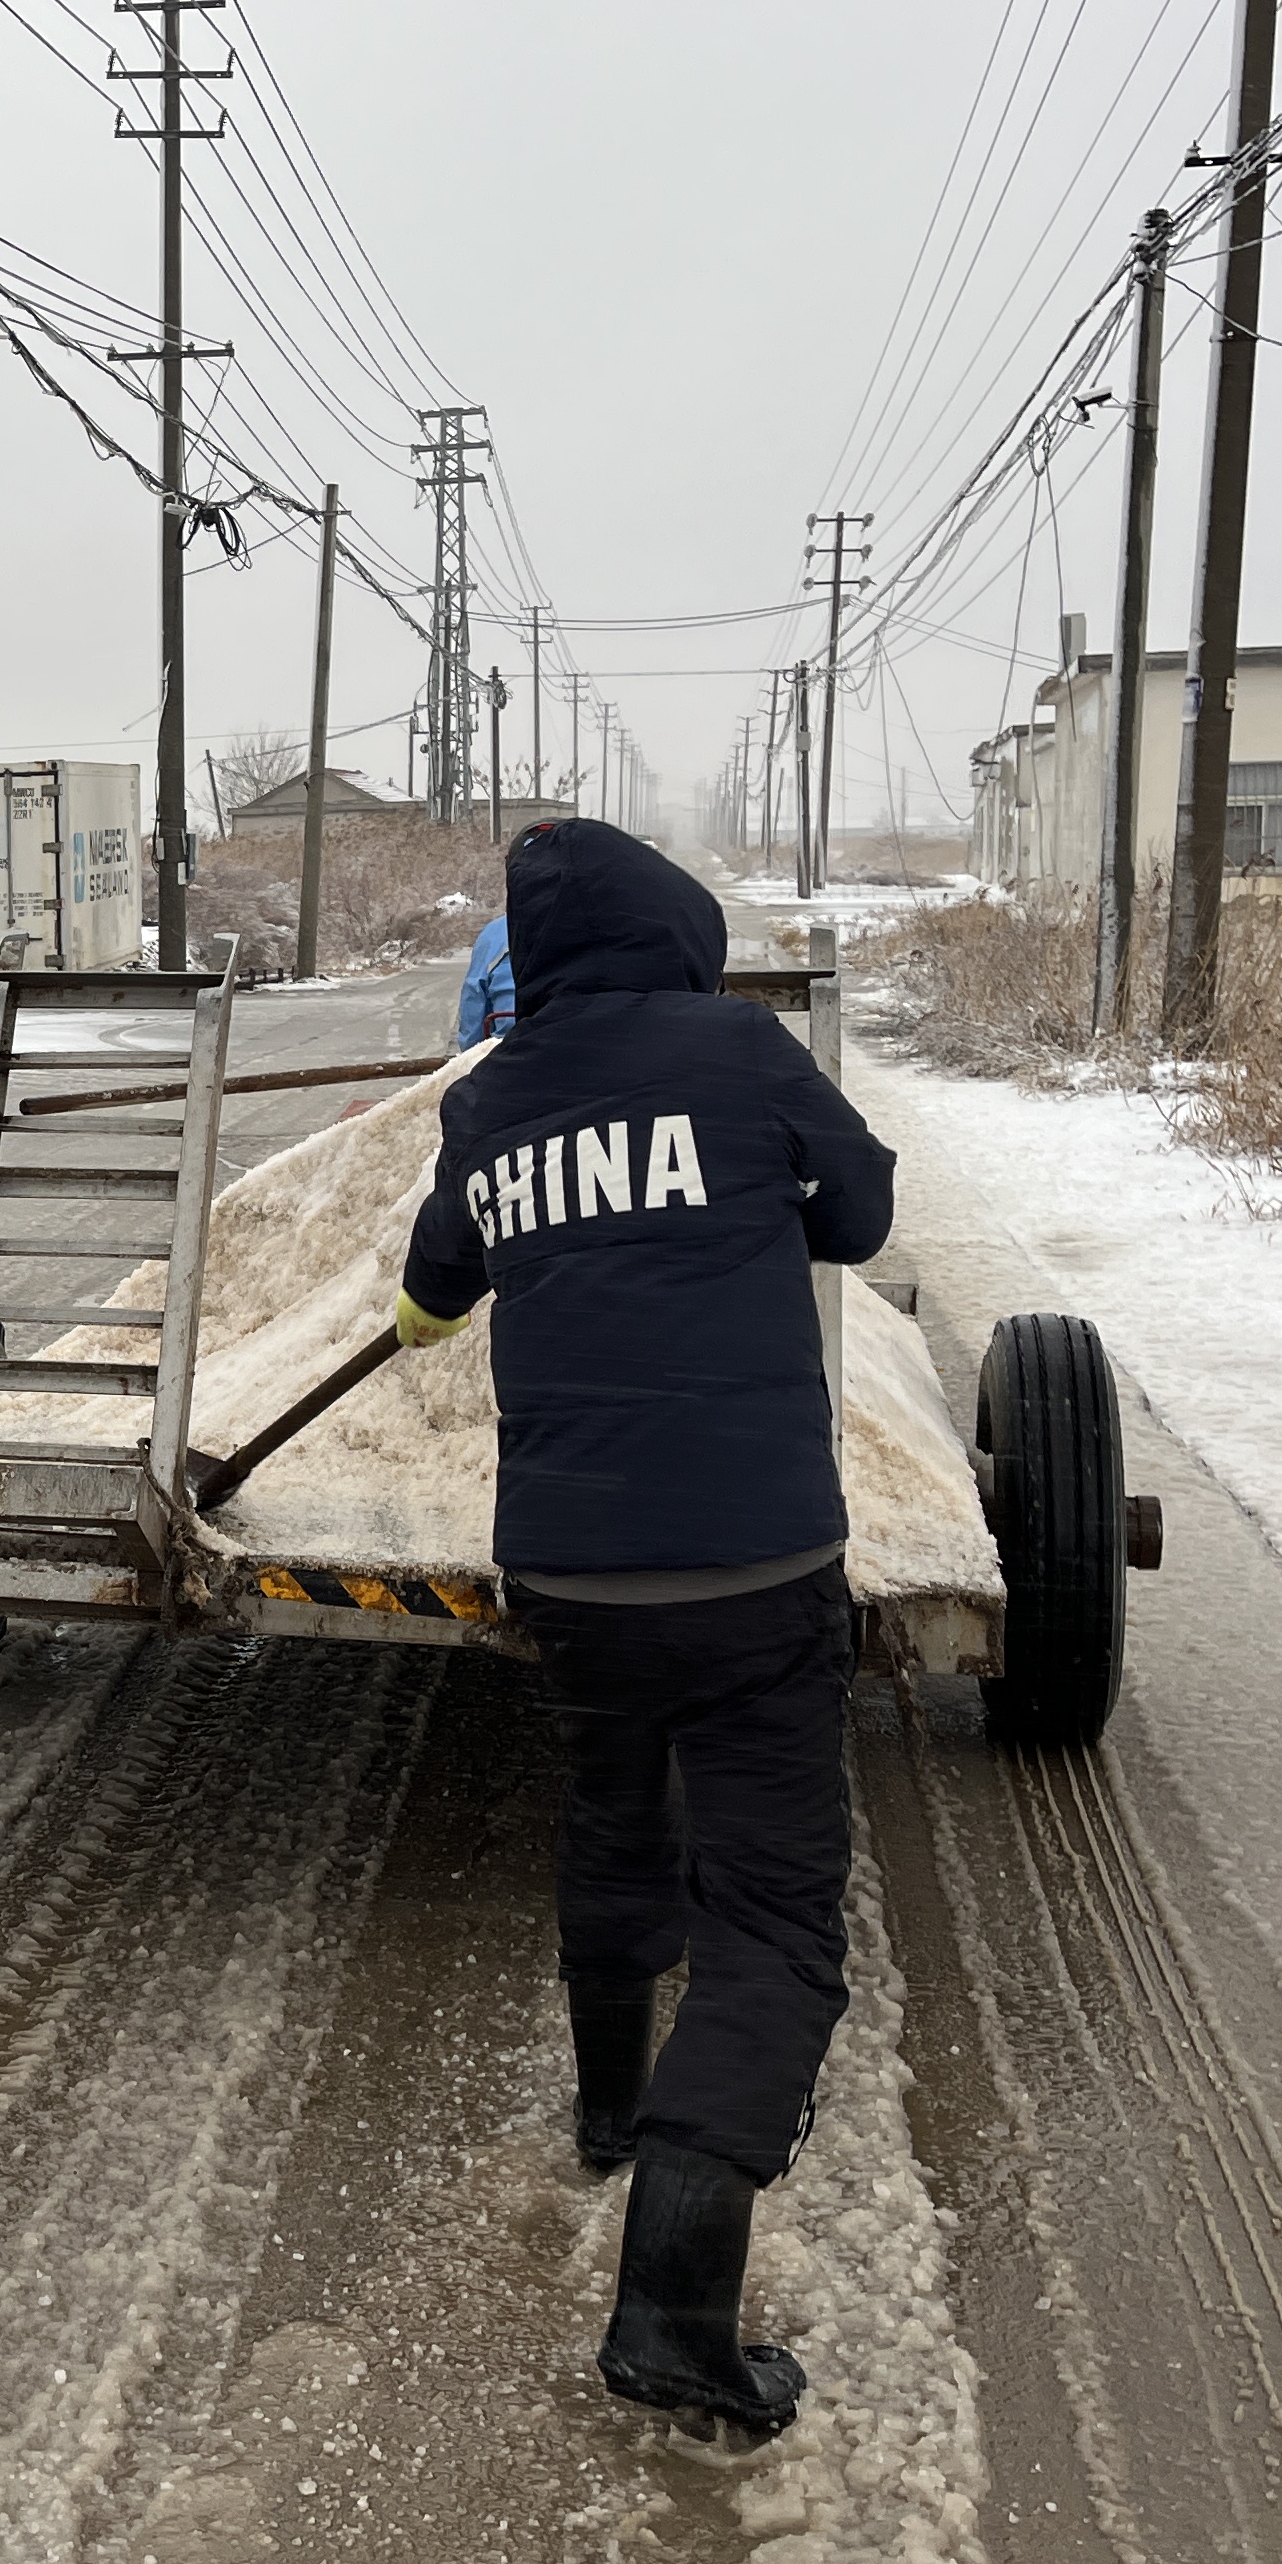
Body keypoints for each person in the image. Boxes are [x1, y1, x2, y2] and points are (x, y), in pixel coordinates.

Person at [390, 819, 896, 2442]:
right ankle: (675, 2308)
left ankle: (612, 2110)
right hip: (752, 1563)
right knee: (772, 1914)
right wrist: (753, 1209)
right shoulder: (738, 1052)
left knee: (616, 1813)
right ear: (675, 929)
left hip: (576, 1571)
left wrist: (457, 1285)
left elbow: (431, 1292)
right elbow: (863, 1214)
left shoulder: (491, 1097)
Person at [451, 910, 516, 1050]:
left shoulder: (497, 932)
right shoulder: (567, 923)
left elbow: (474, 1006)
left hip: (511, 1046)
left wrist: (470, 1052)